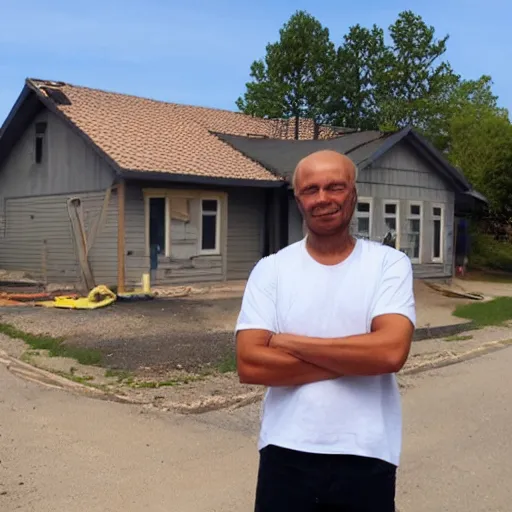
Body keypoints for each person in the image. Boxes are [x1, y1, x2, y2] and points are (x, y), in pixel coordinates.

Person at [235, 150, 416, 512]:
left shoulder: (388, 264)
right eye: (311, 190)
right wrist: (359, 359)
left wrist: (288, 343)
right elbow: (251, 365)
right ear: (298, 199)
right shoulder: (271, 270)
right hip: (285, 451)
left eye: (335, 187)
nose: (323, 199)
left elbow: (390, 353)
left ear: (353, 193)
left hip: (367, 451)